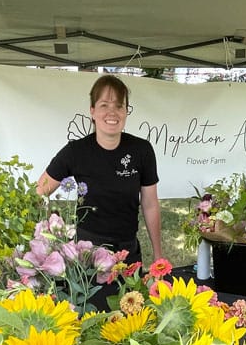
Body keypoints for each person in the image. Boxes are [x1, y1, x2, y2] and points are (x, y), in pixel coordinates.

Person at [37, 74, 163, 269]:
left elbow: (150, 204)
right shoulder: (75, 151)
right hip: (87, 255)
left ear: (126, 112)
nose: (112, 112)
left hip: (127, 252)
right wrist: (50, 234)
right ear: (93, 111)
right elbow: (39, 191)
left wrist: (158, 254)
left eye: (119, 106)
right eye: (104, 105)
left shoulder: (142, 150)